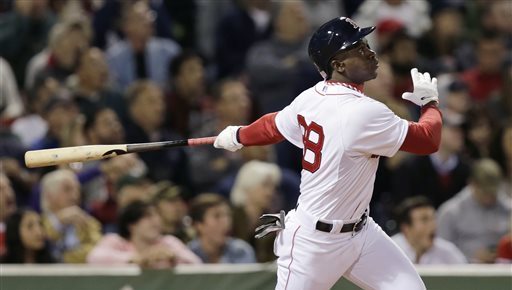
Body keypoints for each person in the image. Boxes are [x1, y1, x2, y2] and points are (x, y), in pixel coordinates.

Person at [213, 17, 442, 290]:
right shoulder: (363, 111)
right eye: (358, 48)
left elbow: (274, 124)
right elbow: (429, 139)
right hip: (313, 242)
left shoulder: (311, 97)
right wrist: (430, 102)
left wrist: (239, 135)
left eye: (367, 45)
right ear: (338, 65)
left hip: (361, 234)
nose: (370, 53)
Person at [437, 158, 511, 263]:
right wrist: (471, 257)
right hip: (463, 272)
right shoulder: (451, 213)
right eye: (485, 192)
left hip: (501, 270)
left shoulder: (508, 209)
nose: (490, 197)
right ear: (473, 185)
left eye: (493, 192)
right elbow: (439, 254)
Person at [87, 200, 201, 268]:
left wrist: (174, 257)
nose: (156, 221)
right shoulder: (115, 241)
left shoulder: (168, 242)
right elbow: (94, 258)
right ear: (132, 225)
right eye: (148, 216)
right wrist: (137, 259)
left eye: (157, 215)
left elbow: (197, 264)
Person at [391, 196, 466, 264]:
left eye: (433, 219)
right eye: (424, 220)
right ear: (406, 228)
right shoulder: (391, 249)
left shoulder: (448, 252)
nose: (432, 225)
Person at [187, 193, 256, 264]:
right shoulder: (187, 254)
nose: (226, 222)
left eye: (227, 215)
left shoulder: (241, 251)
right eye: (217, 216)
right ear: (199, 225)